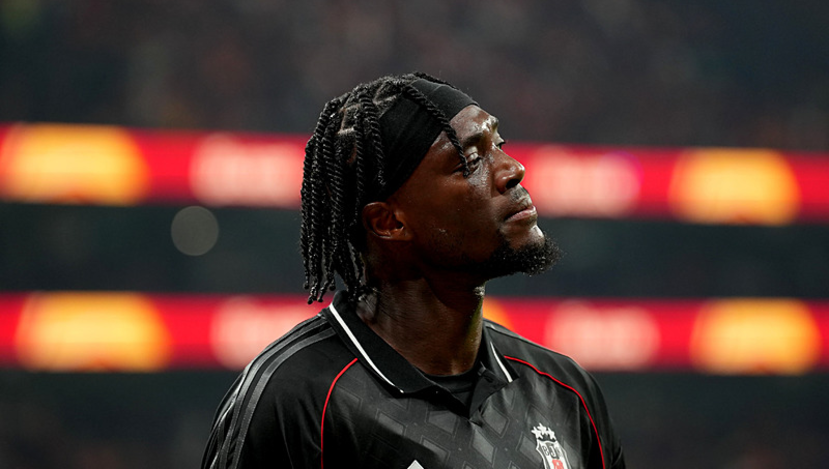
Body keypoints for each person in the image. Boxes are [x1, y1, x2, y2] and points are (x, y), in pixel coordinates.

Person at [202, 72, 626, 469]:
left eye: (498, 144)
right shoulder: (296, 399)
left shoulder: (565, 391)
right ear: (389, 222)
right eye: (470, 160)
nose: (513, 169)